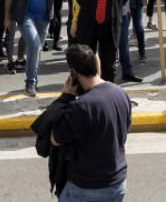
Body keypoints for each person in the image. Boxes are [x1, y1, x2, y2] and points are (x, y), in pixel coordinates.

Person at [49, 44, 133, 202]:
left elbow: (55, 139)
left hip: (86, 188)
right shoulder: (121, 94)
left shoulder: (81, 106)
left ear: (74, 72)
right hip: (118, 183)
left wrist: (64, 99)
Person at [6, 0, 75, 96]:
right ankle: (30, 83)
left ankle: (33, 82)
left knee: (36, 50)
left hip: (44, 17)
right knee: (35, 45)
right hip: (25, 16)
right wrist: (7, 17)